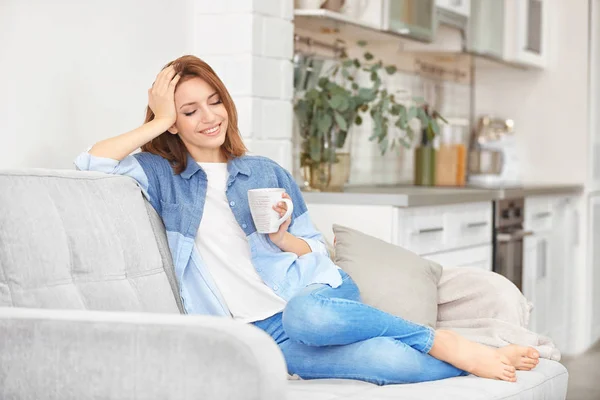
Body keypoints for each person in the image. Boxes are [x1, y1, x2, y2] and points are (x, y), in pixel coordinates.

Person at [74, 55, 540, 385]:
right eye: (189, 111)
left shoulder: (265, 171)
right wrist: (157, 120)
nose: (209, 117)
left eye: (214, 101)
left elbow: (314, 250)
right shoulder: (162, 175)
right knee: (387, 362)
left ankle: (444, 342)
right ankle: (477, 357)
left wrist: (280, 238)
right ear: (173, 121)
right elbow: (91, 164)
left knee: (305, 313)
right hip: (254, 332)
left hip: (314, 298)